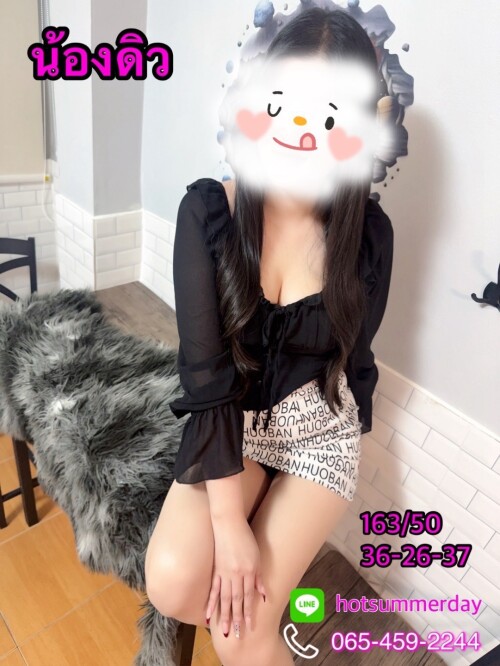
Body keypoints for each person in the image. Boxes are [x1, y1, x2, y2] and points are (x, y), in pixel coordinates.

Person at [145, 7, 394, 666]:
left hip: (318, 431)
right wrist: (231, 524)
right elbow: (206, 377)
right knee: (172, 580)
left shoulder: (369, 237)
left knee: (240, 630)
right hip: (237, 421)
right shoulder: (210, 212)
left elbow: (354, 363)